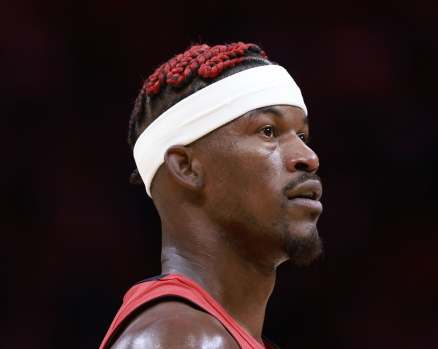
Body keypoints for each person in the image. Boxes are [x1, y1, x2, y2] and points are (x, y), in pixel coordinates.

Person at [99, 42, 323, 349]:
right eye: (268, 131)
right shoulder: (177, 338)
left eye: (302, 136)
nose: (308, 157)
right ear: (187, 167)